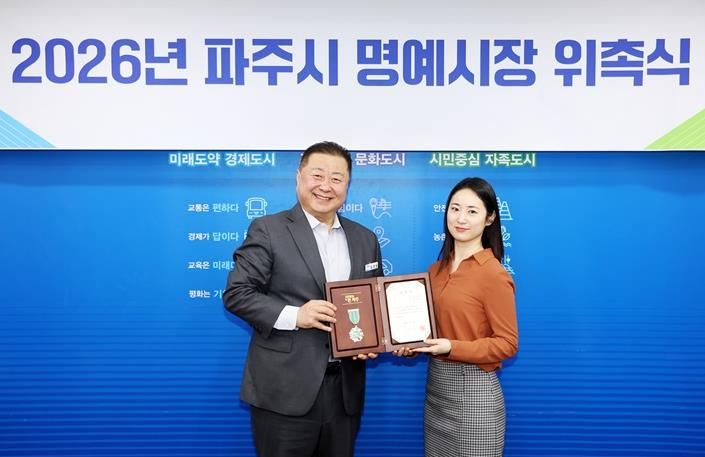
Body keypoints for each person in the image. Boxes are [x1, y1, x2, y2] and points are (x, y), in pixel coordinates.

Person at [223, 141, 383, 457]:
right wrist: (297, 315)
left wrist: (373, 339)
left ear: (348, 185)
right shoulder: (268, 229)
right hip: (284, 390)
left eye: (337, 178)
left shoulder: (365, 238)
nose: (326, 186)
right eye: (317, 175)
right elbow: (237, 293)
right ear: (299, 177)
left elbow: (372, 305)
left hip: (344, 393)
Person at [400, 177, 519, 456]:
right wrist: (410, 345)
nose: (461, 218)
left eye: (472, 211)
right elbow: (428, 330)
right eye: (455, 209)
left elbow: (508, 343)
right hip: (436, 391)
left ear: (490, 218)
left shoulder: (494, 274)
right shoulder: (435, 270)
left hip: (476, 396)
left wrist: (451, 347)